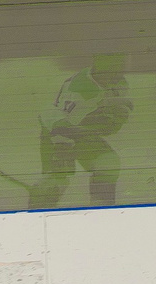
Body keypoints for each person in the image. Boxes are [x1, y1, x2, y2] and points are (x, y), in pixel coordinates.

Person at [32, 55, 133, 209]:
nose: (117, 75)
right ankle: (38, 209)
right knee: (57, 179)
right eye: (112, 69)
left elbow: (113, 119)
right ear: (99, 67)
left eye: (119, 69)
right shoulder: (81, 92)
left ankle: (101, 210)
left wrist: (114, 117)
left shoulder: (117, 81)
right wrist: (60, 160)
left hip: (80, 130)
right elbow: (62, 127)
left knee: (108, 162)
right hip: (57, 133)